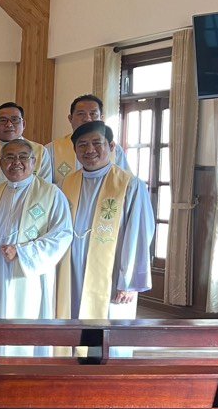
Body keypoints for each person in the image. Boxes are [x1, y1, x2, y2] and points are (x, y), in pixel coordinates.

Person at [56, 121, 154, 320]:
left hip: (111, 273)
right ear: (75, 150)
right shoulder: (66, 183)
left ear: (111, 146)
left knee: (106, 328)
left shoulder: (130, 185)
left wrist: (128, 282)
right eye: (82, 144)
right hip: (69, 269)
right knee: (70, 319)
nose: (89, 150)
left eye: (96, 143)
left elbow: (139, 234)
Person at [0, 139, 72, 355]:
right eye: (9, 157)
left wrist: (23, 252)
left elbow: (62, 234)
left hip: (29, 275)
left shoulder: (51, 194)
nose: (16, 162)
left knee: (25, 325)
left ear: (34, 162)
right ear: (0, 163)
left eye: (23, 157)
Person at [50, 94, 132, 185]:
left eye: (93, 114)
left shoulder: (115, 150)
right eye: (81, 114)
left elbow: (126, 183)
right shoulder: (51, 150)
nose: (88, 119)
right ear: (70, 118)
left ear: (101, 119)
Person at [0, 102, 52, 191]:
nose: (9, 124)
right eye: (3, 120)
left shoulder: (39, 151)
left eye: (15, 119)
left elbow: (45, 187)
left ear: (23, 124)